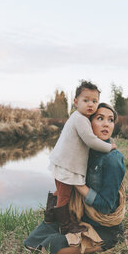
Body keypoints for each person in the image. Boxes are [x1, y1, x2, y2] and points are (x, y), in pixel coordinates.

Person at [25, 103, 125, 254]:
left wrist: (79, 185)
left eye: (110, 120)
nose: (106, 124)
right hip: (80, 219)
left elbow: (106, 206)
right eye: (100, 118)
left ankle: (104, 242)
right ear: (88, 123)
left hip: (102, 227)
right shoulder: (83, 151)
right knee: (33, 241)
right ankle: (72, 232)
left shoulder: (112, 160)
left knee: (51, 248)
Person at [46, 81, 117, 234]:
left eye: (94, 101)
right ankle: (65, 226)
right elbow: (90, 140)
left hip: (62, 162)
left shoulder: (78, 117)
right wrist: (108, 147)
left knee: (59, 192)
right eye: (86, 101)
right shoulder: (80, 119)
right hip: (66, 165)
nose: (90, 104)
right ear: (76, 101)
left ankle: (50, 216)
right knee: (64, 195)